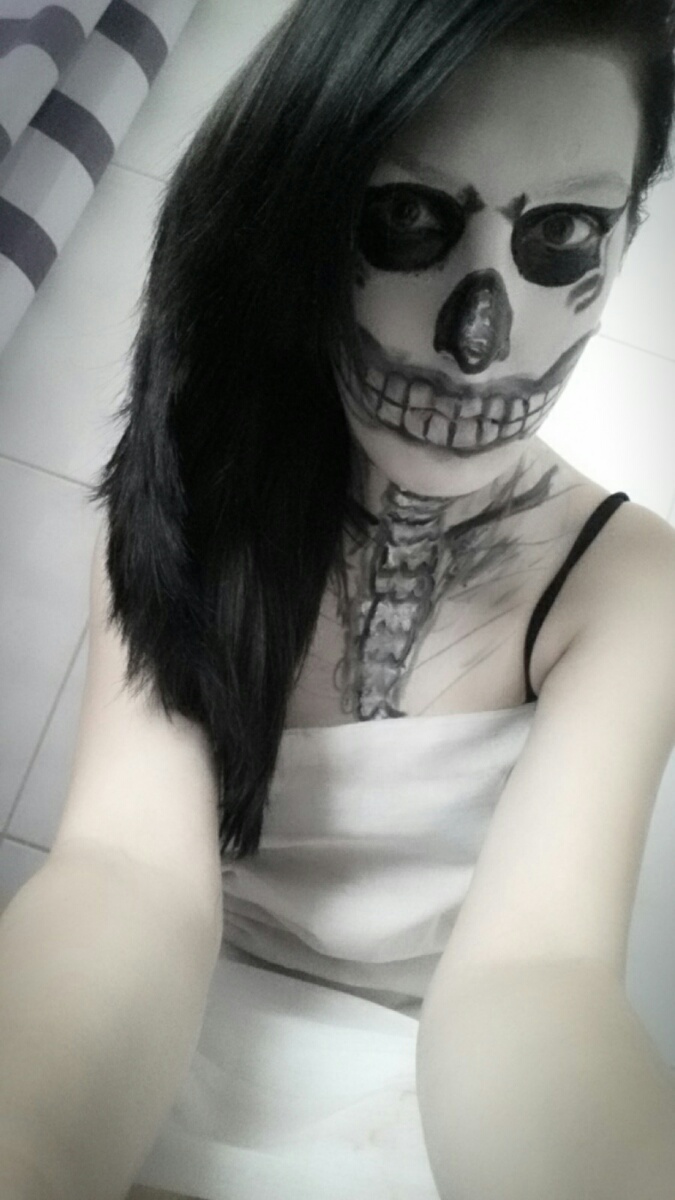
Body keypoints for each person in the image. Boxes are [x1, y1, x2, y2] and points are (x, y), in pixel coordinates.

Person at [2, 1, 675, 1198]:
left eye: (566, 230)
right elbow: (128, 875)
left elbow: (538, 974)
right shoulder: (190, 483)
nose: (479, 339)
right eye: (410, 216)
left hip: (431, 1101)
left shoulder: (630, 587)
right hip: (135, 1041)